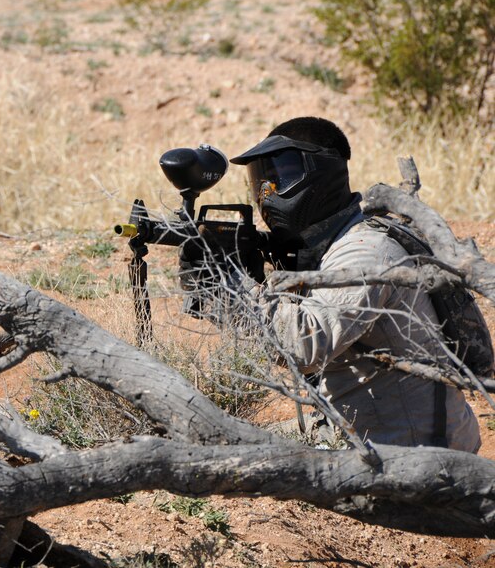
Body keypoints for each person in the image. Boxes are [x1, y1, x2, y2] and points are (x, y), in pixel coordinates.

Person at [194, 116, 482, 452]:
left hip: (418, 453)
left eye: (282, 176)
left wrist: (229, 285)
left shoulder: (366, 251)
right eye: (262, 180)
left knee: (232, 454)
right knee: (219, 438)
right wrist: (223, 285)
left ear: (322, 172)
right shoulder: (331, 243)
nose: (267, 193)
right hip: (371, 429)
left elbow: (303, 346)